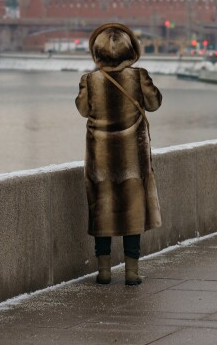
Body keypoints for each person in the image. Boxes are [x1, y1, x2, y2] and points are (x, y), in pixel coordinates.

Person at [75, 23, 162, 286]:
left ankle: (103, 271)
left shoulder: (90, 80)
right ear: (130, 50)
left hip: (100, 159)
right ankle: (131, 272)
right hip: (132, 159)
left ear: (97, 52)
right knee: (133, 213)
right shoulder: (139, 76)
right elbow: (154, 103)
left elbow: (82, 110)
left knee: (101, 211)